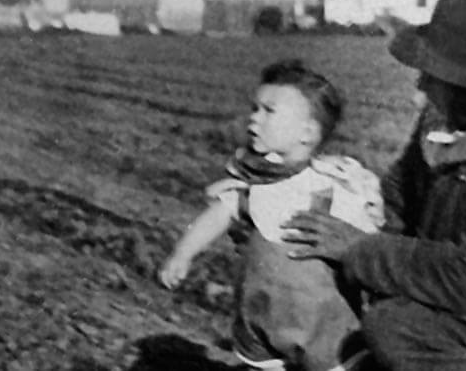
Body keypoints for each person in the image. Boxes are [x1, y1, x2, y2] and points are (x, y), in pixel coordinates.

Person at [284, 0, 466, 371]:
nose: (418, 88)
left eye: (434, 75)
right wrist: (350, 206)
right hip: (462, 309)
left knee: (396, 327)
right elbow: (397, 198)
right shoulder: (441, 123)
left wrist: (359, 249)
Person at [159, 59, 383, 370]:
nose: (254, 118)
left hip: (320, 321)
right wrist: (182, 254)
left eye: (269, 111)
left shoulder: (336, 184)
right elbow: (219, 214)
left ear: (307, 132)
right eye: (255, 108)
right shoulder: (253, 181)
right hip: (261, 312)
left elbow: (368, 244)